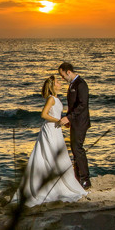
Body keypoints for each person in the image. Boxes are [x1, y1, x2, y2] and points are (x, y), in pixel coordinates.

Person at [17, 76, 88, 206]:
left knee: (57, 155)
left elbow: (56, 115)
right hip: (50, 129)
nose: (60, 83)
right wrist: (58, 121)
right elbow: (43, 114)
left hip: (56, 129)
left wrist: (63, 122)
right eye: (57, 82)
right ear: (53, 86)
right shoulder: (51, 99)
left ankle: (59, 182)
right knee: (50, 155)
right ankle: (50, 185)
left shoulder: (56, 98)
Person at [58, 62, 91, 190]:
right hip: (75, 121)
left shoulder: (81, 84)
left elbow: (82, 105)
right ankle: (77, 177)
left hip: (81, 122)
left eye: (63, 75)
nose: (62, 78)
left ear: (68, 72)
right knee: (74, 148)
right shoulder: (72, 84)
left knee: (78, 149)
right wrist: (69, 119)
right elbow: (72, 105)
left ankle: (85, 179)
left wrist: (69, 117)